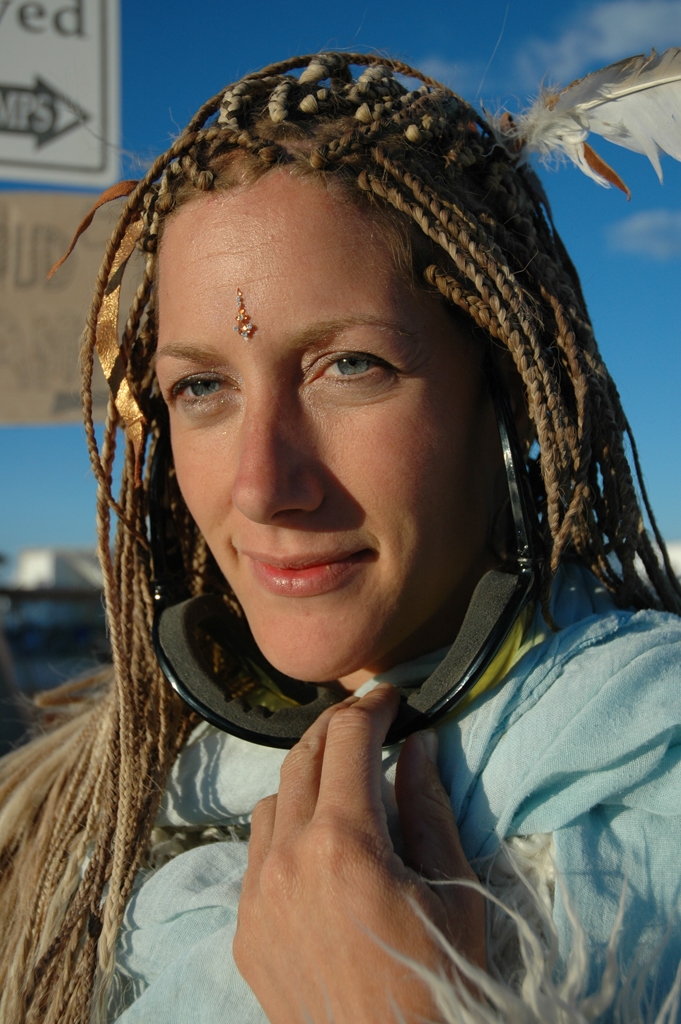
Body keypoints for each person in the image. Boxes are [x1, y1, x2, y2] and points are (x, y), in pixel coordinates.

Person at [0, 51, 680, 1024]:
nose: (263, 486)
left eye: (349, 365)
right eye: (202, 388)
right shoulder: (73, 828)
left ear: (507, 396)